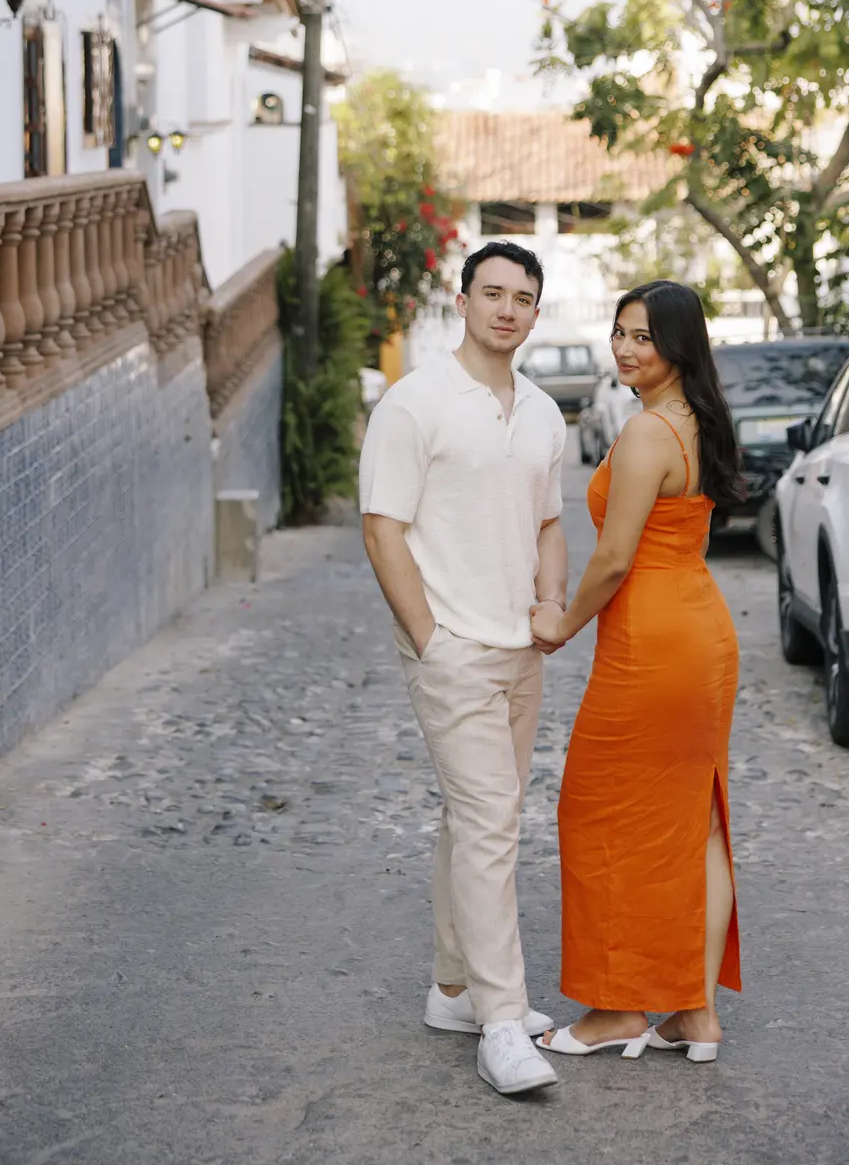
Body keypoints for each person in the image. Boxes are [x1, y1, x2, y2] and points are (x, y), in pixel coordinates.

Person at [360, 242, 569, 1097]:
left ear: (534, 311)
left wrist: (550, 604)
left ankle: (454, 991)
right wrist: (429, 637)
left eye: (523, 297)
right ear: (464, 299)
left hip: (521, 651)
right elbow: (383, 528)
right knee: (492, 823)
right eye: (493, 293)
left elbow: (549, 523)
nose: (507, 309)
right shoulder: (415, 404)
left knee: (474, 819)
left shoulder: (547, 413)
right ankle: (502, 1021)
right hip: (452, 651)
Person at [530, 280, 743, 1063]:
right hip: (700, 631)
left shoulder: (651, 433)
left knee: (598, 813)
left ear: (678, 346)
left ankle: (618, 1009)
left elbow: (615, 558)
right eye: (619, 333)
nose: (625, 348)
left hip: (651, 643)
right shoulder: (701, 421)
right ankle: (695, 1013)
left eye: (643, 337)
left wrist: (558, 624)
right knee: (696, 820)